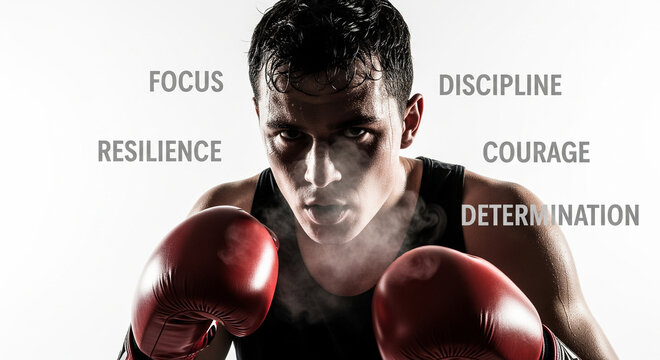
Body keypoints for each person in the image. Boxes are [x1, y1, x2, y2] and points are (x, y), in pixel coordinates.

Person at [118, 1, 618, 359]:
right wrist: (151, 349)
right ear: (259, 120)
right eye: (288, 135)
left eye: (356, 132)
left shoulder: (492, 220)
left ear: (411, 122)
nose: (319, 175)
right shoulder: (230, 220)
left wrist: (536, 353)